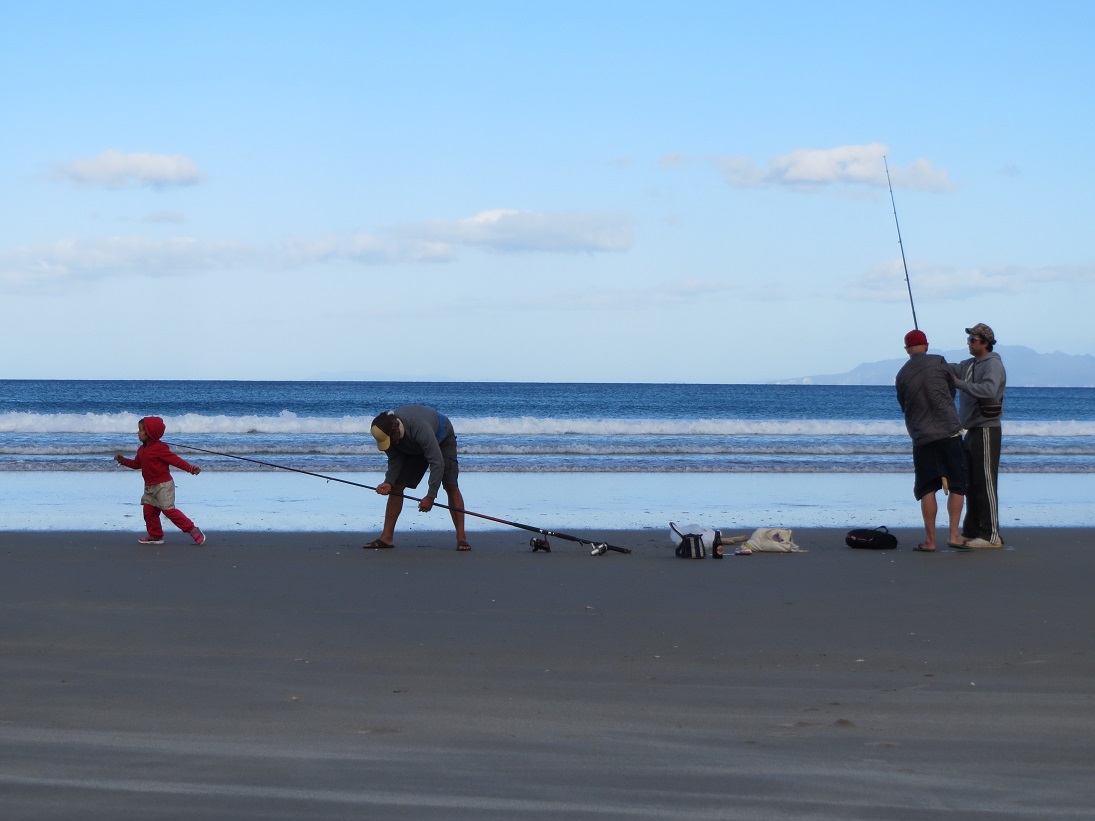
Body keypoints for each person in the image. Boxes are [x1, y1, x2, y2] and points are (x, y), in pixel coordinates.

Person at [896, 329, 969, 552]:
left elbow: (903, 404)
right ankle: (954, 535)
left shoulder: (902, 374)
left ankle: (930, 541)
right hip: (949, 431)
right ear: (926, 346)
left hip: (922, 436)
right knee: (957, 484)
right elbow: (950, 390)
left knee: (927, 487)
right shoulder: (939, 361)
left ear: (907, 349)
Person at [365, 405, 470, 551]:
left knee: (450, 485)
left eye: (390, 440)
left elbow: (437, 463)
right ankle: (386, 538)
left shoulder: (419, 428)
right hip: (413, 446)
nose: (390, 444)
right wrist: (388, 482)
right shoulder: (387, 433)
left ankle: (461, 538)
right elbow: (395, 460)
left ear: (396, 428)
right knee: (396, 487)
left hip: (442, 438)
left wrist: (431, 496)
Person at [948, 322, 1006, 548]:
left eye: (973, 340)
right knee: (970, 482)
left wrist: (960, 384)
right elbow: (952, 370)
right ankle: (972, 530)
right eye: (969, 339)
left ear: (985, 343)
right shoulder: (969, 364)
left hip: (987, 429)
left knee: (986, 483)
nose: (969, 343)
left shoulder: (993, 364)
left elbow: (989, 391)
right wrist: (933, 364)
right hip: (970, 429)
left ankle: (991, 535)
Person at [114, 416, 206, 545]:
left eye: (141, 430)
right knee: (148, 511)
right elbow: (136, 464)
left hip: (163, 486)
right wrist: (123, 461)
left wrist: (190, 468)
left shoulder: (160, 448)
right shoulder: (142, 449)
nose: (138, 433)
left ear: (150, 433)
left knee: (169, 511)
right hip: (149, 487)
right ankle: (156, 535)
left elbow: (175, 460)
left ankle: (193, 530)